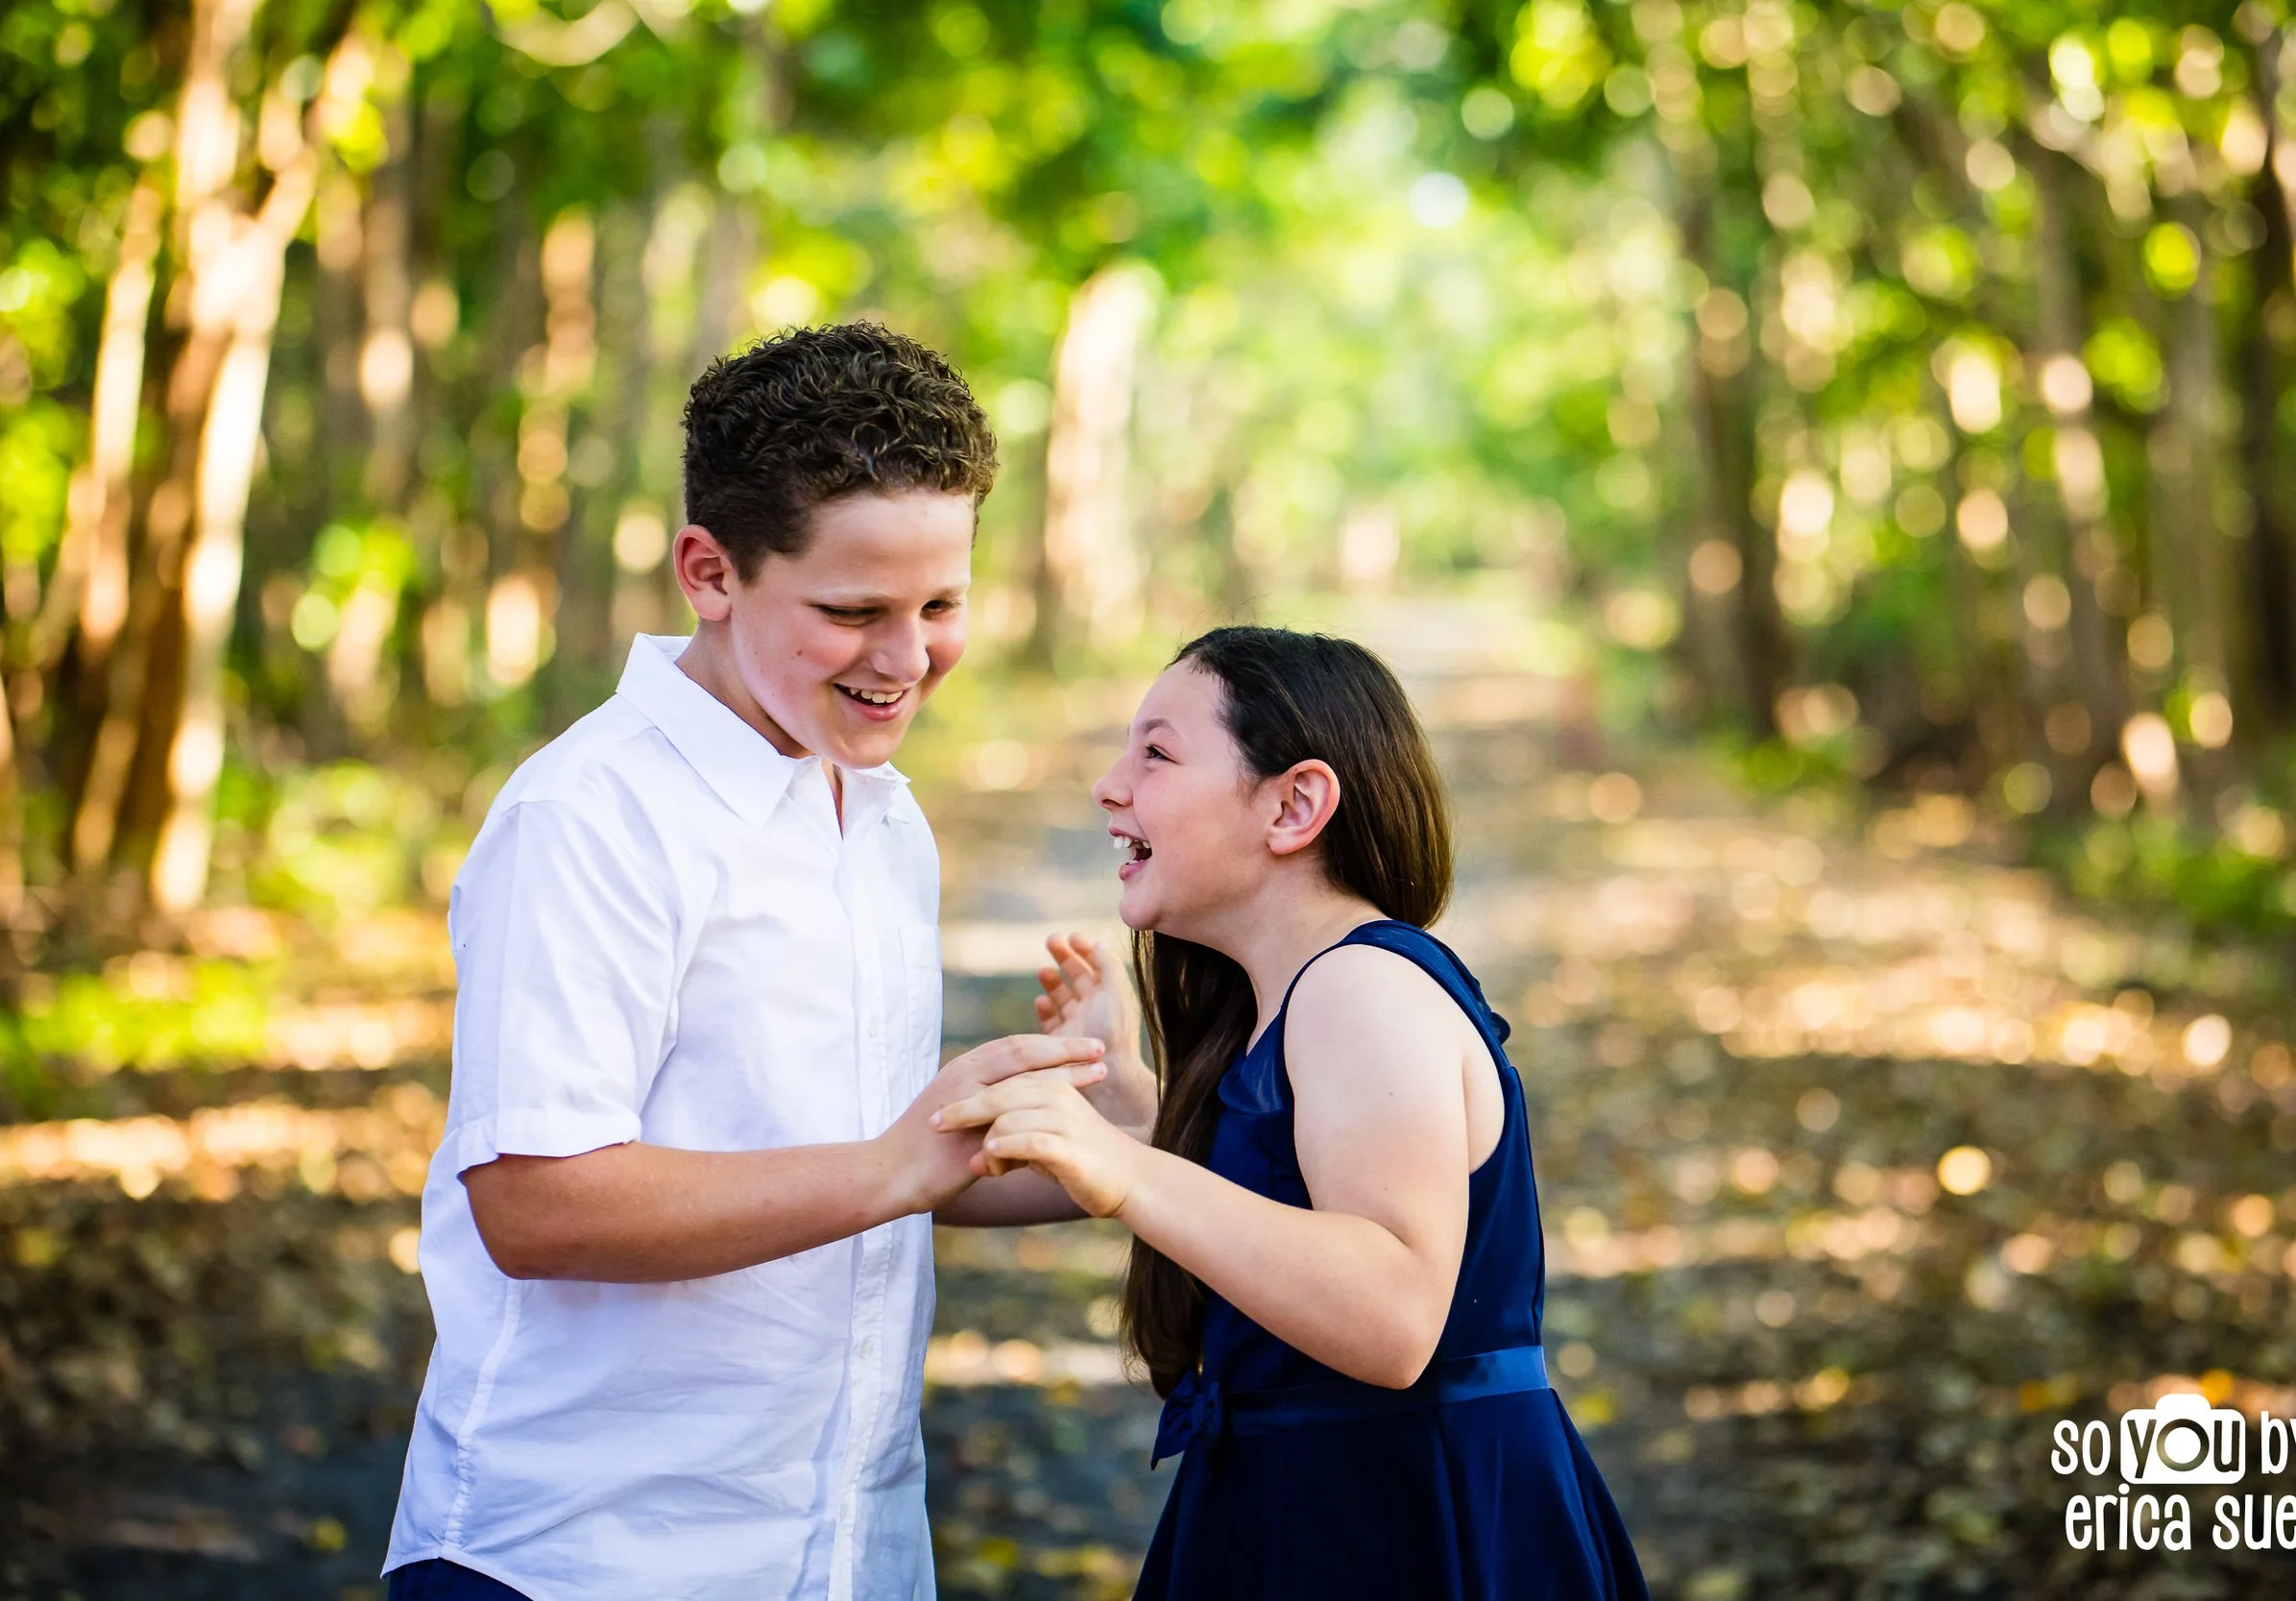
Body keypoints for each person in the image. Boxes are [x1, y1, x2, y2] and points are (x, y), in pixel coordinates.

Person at [382, 324, 1151, 1601]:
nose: (907, 659)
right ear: (709, 569)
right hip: (590, 1556)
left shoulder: (881, 814)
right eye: (853, 611)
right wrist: (890, 1159)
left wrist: (1109, 1138)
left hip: (844, 1550)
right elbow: (534, 1200)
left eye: (941, 605)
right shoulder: (590, 815)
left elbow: (872, 1171)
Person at [933, 626, 1649, 1600]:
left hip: (1407, 1520)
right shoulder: (1282, 1003)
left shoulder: (1361, 986)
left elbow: (1394, 1312)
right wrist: (1127, 1102)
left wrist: (1128, 1167)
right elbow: (1262, 1189)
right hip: (1308, 1498)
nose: (1109, 785)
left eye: (1156, 751)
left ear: (1294, 804)